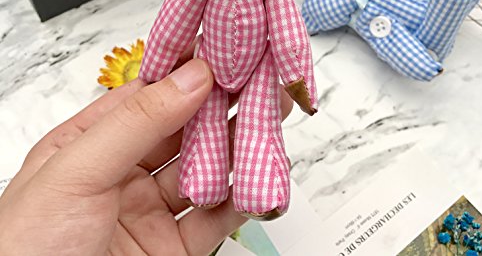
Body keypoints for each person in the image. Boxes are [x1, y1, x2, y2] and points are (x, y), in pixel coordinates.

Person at [0, 56, 293, 255]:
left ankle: (259, 188)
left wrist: (299, 79)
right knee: (208, 120)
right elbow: (178, 18)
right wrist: (157, 72)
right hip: (209, 65)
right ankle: (204, 184)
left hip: (258, 63)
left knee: (259, 116)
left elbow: (288, 33)